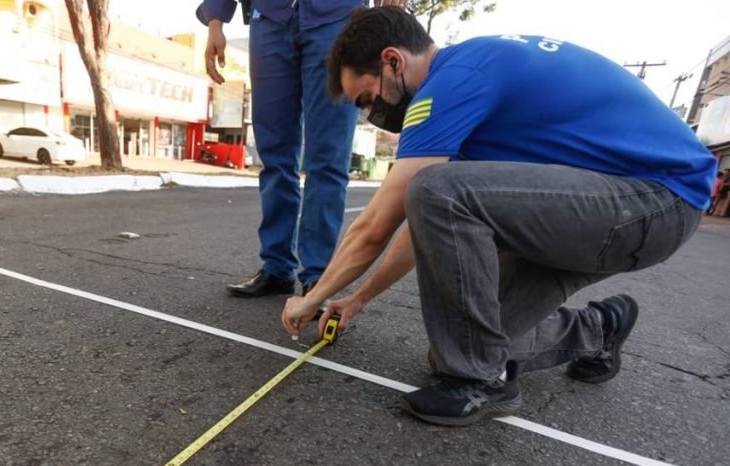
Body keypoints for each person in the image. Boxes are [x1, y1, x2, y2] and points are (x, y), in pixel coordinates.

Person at [282, 7, 716, 426]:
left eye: (369, 98)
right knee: (470, 341)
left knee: (437, 200)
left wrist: (312, 296)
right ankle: (597, 330)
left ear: (392, 60)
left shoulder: (452, 82)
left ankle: (482, 382)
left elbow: (377, 226)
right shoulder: (470, 87)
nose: (373, 114)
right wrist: (357, 299)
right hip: (615, 207)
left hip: (656, 200)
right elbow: (422, 225)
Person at [197, 0, 406, 298]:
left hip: (337, 18)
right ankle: (277, 266)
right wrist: (216, 20)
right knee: (274, 155)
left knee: (329, 157)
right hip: (269, 16)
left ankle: (317, 277)